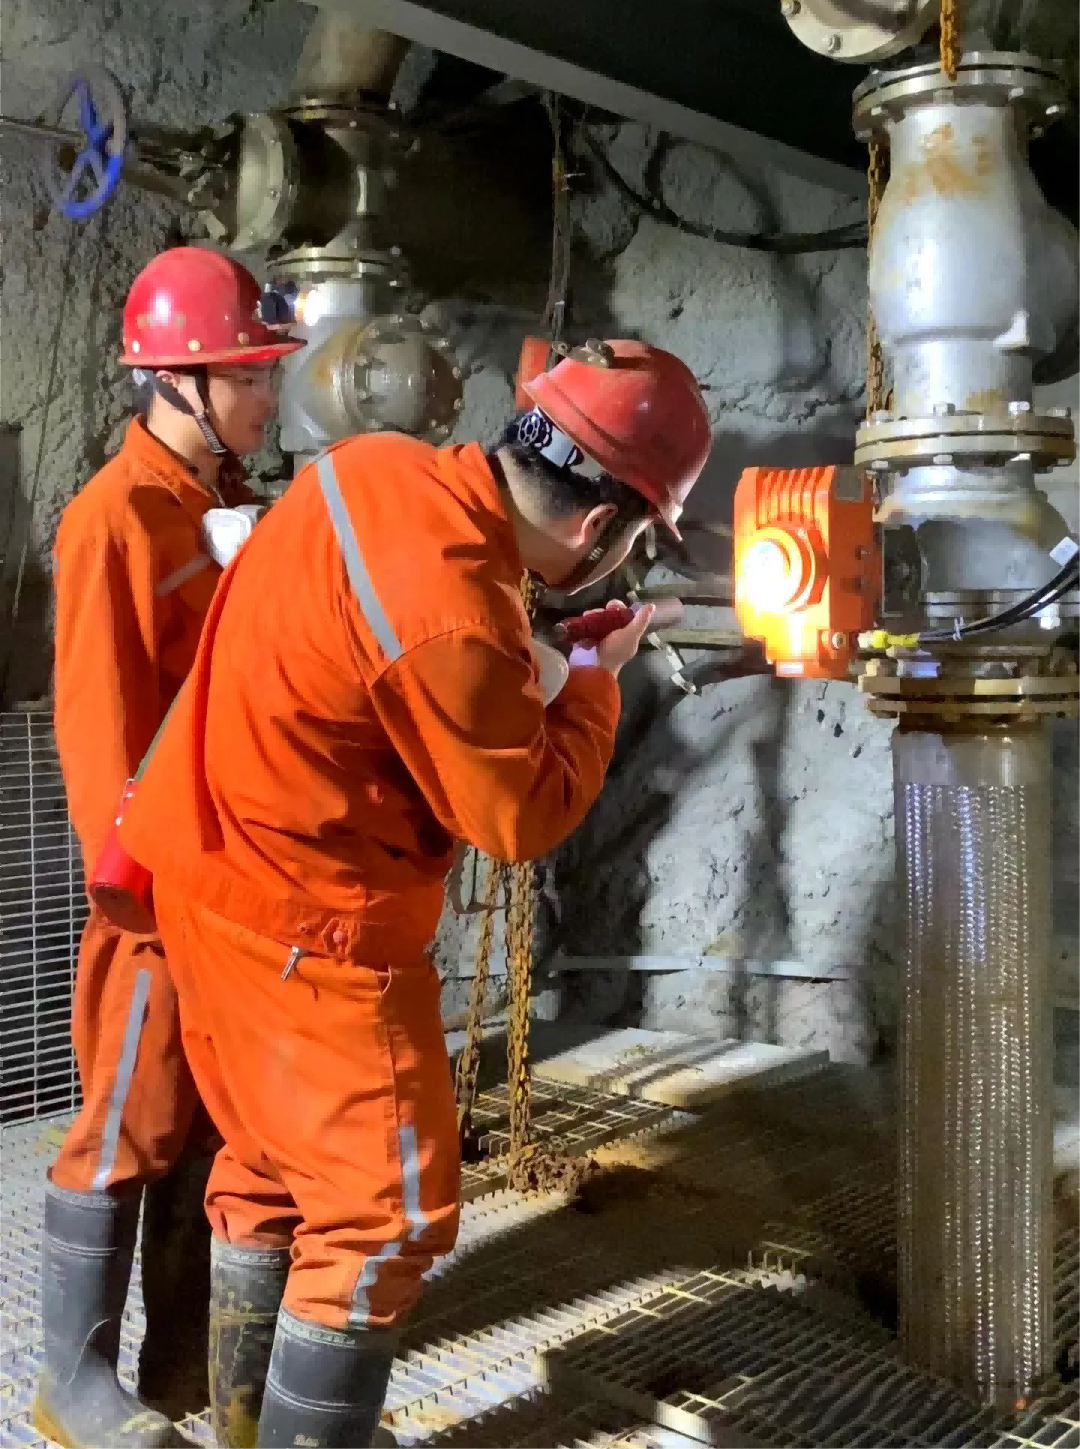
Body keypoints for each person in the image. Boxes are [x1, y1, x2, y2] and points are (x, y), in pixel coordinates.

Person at [116, 337, 711, 1449]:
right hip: (310, 935)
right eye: (636, 539)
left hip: (208, 881)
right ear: (601, 525)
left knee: (269, 1166)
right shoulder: (458, 614)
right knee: (381, 1214)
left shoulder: (370, 466)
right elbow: (516, 815)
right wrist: (593, 683)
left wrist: (529, 649)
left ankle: (246, 1428)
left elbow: (393, 651)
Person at [38, 247, 304, 1449]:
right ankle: (69, 1382)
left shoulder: (222, 503)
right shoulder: (115, 518)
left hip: (234, 883)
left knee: (213, 1125)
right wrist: (139, 898)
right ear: (180, 378)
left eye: (267, 372)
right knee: (131, 1120)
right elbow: (99, 730)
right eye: (251, 373)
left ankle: (183, 1360)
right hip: (159, 893)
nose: (269, 394)